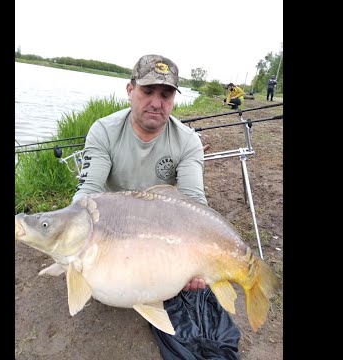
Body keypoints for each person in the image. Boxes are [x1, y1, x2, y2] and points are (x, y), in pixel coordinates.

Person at [72, 54, 241, 360]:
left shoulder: (187, 141)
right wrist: (69, 230)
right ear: (129, 90)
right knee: (100, 290)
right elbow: (88, 191)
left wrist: (199, 259)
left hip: (161, 231)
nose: (156, 102)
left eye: (165, 95)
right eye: (147, 91)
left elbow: (195, 205)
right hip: (112, 230)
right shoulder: (104, 131)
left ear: (174, 99)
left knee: (190, 280)